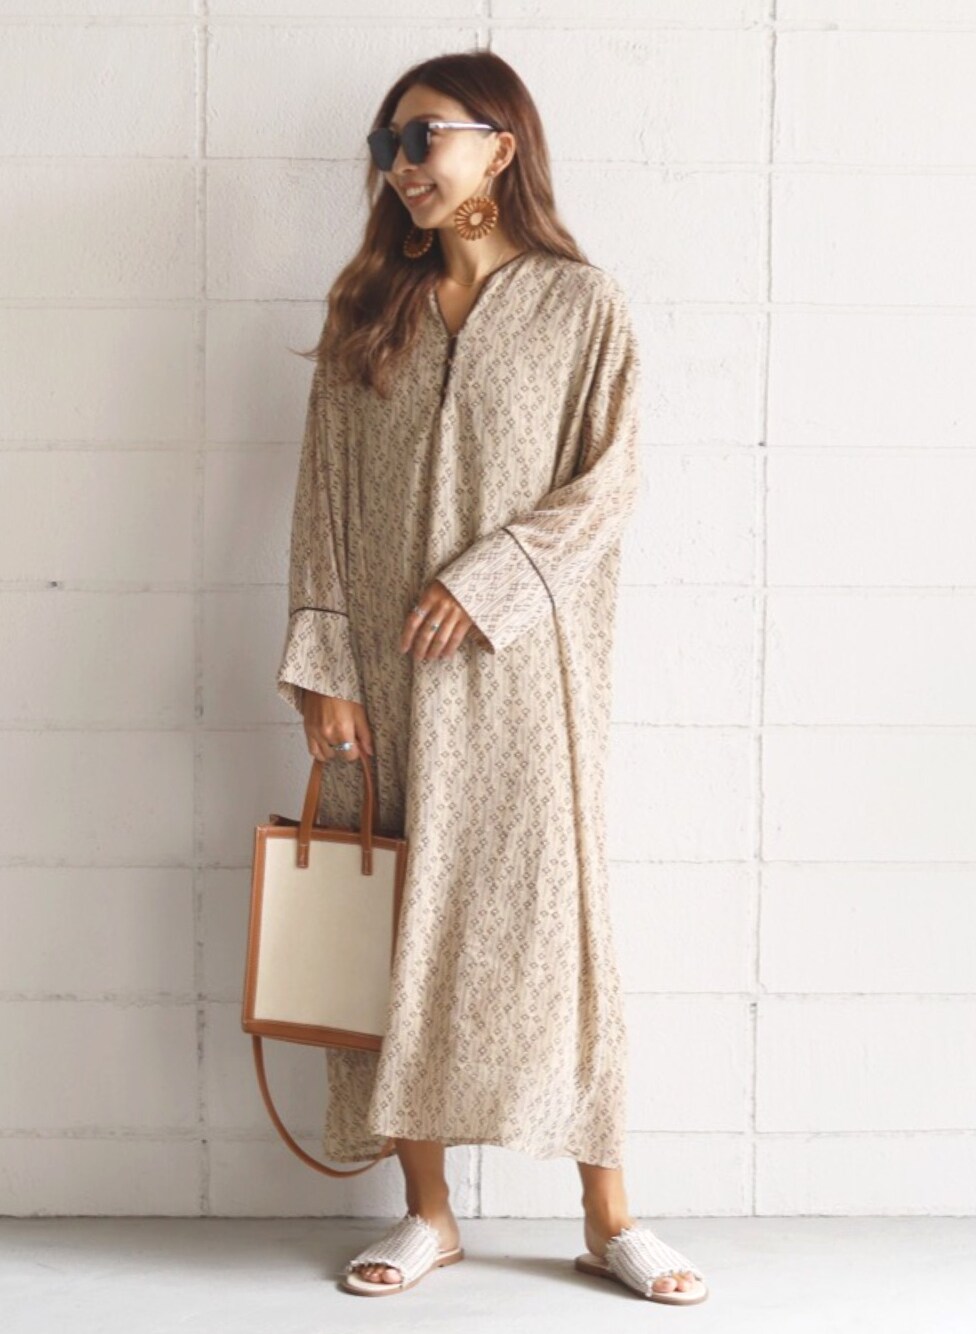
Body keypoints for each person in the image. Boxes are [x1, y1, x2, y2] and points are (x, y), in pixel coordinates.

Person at [275, 49, 708, 1306]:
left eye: (423, 138)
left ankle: (607, 1213)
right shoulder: (369, 308)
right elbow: (320, 500)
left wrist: (492, 577)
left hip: (525, 683)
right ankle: (428, 1211)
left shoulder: (581, 306)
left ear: (499, 146)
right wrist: (323, 666)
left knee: (555, 928)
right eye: (387, 147)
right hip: (384, 682)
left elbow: (607, 484)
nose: (401, 165)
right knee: (392, 925)